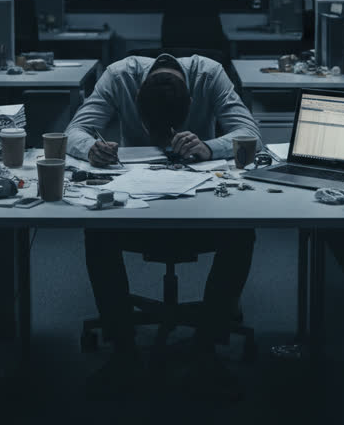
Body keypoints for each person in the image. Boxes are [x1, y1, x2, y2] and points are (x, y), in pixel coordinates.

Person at [65, 53, 262, 397]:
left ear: (190, 99)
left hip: (201, 200)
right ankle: (123, 350)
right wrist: (91, 148)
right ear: (137, 97)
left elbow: (250, 134)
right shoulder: (120, 75)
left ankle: (206, 350)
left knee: (241, 231)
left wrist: (208, 146)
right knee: (97, 231)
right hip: (134, 201)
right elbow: (75, 131)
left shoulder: (209, 75)